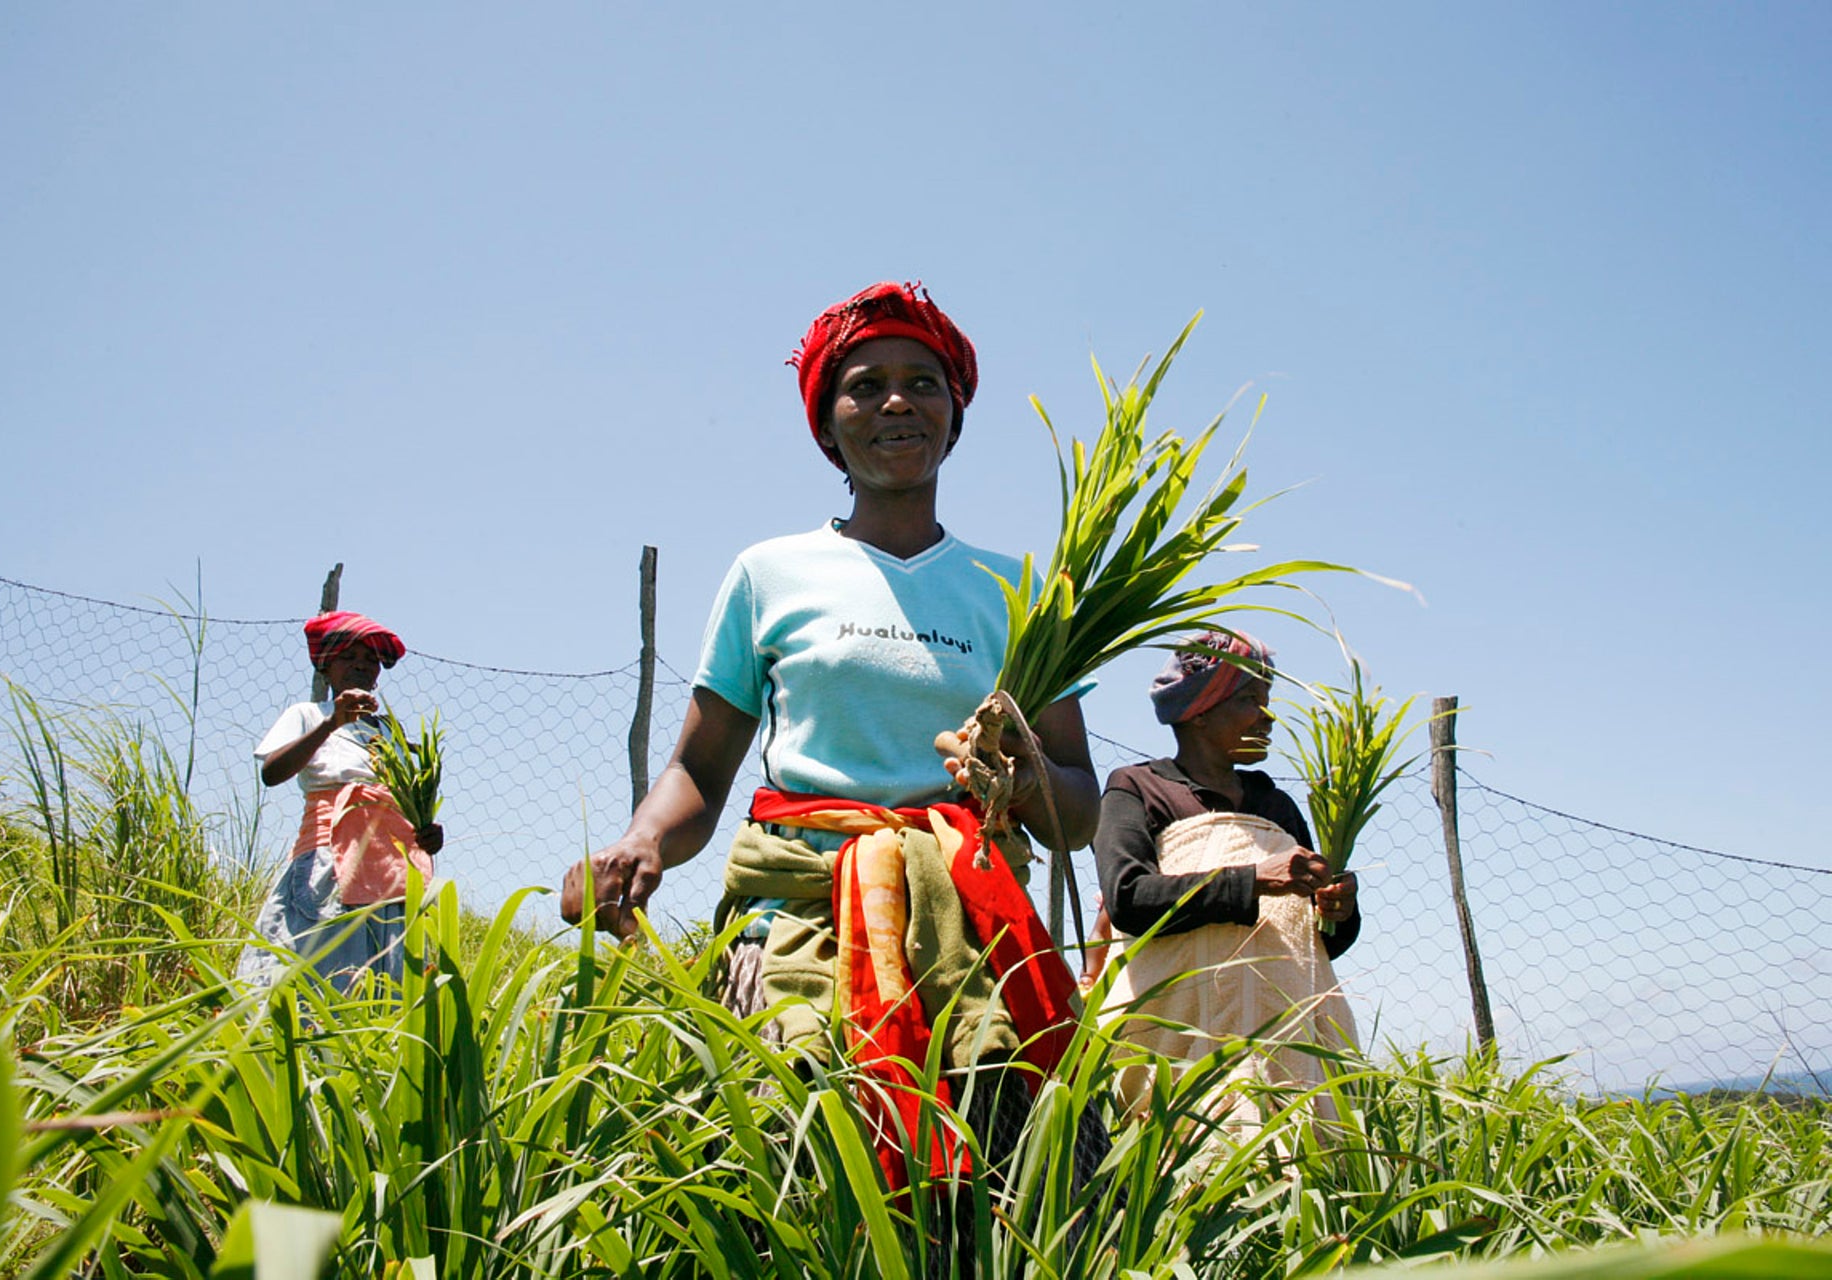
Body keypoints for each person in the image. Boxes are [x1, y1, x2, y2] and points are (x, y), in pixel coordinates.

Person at [560, 282, 1104, 1259]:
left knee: (999, 1184)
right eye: (866, 386)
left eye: (921, 384)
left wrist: (1026, 782)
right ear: (826, 419)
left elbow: (1074, 808)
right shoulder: (769, 573)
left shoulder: (1020, 590)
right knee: (784, 1162)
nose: (896, 403)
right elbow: (697, 766)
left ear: (955, 411)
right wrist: (643, 837)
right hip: (795, 907)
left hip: (966, 920)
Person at [1091, 631, 1360, 1129]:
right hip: (1174, 1040)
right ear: (1201, 709)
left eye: (1267, 701)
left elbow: (1313, 945)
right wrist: (1252, 880)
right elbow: (1128, 898)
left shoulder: (1275, 806)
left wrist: (1340, 911)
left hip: (1283, 1040)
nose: (1266, 716)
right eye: (1249, 700)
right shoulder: (1138, 789)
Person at [239, 610, 444, 989]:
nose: (360, 667)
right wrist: (332, 723)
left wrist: (427, 833)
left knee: (387, 979)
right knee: (320, 972)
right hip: (328, 863)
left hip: (390, 872)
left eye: (370, 660)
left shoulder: (388, 731)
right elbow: (272, 773)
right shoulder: (309, 715)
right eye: (348, 658)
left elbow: (404, 802)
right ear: (326, 668)